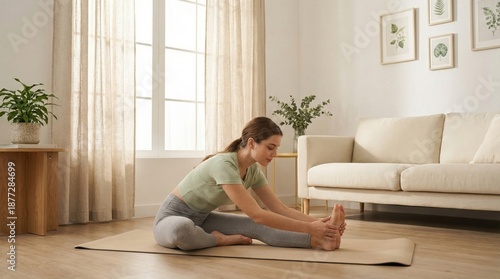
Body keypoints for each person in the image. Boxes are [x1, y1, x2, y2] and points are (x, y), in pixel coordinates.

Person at [153, 116, 346, 251]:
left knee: (260, 229)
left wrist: (321, 224)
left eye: (276, 148)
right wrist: (311, 226)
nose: (274, 154)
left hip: (203, 218)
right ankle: (218, 240)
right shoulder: (224, 164)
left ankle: (319, 242)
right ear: (252, 143)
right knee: (182, 230)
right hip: (171, 219)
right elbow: (257, 214)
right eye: (270, 147)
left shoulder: (252, 171)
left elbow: (279, 209)